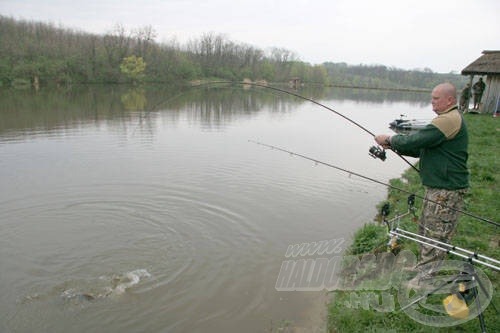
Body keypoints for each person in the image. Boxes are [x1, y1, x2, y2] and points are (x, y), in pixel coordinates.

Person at [374, 83, 469, 286]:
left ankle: (426, 280)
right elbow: (421, 149)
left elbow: (416, 141)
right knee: (426, 230)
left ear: (450, 100)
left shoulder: (449, 119)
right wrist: (392, 145)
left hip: (447, 189)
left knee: (436, 235)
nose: (432, 102)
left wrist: (390, 138)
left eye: (436, 98)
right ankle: (425, 269)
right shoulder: (445, 120)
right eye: (432, 98)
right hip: (437, 188)